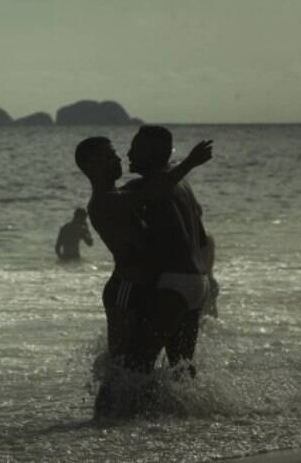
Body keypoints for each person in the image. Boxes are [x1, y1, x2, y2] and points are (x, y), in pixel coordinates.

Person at [75, 135, 212, 416]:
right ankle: (102, 424)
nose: (118, 159)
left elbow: (156, 188)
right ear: (91, 166)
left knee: (159, 365)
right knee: (124, 366)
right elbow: (150, 193)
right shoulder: (104, 202)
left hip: (148, 287)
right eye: (109, 155)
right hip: (127, 288)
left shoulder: (125, 192)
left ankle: (163, 420)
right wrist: (188, 164)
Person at [125, 125, 213, 379]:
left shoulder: (149, 186)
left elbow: (119, 201)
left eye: (135, 149)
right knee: (181, 367)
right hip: (198, 284)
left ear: (152, 154)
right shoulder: (183, 186)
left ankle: (121, 418)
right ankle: (195, 414)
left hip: (174, 284)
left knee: (138, 362)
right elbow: (202, 236)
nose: (129, 154)